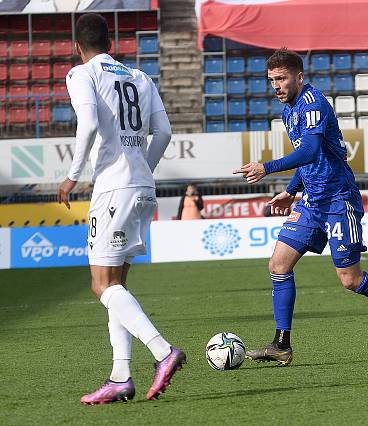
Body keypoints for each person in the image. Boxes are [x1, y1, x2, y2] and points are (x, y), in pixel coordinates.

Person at [234, 48, 368, 365]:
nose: (276, 86)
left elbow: (310, 151)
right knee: (278, 266)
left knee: (350, 280)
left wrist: (266, 167)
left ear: (299, 77)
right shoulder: (289, 111)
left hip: (338, 199)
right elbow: (311, 159)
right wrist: (290, 191)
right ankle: (281, 344)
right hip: (312, 200)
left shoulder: (314, 104)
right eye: (271, 80)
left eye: (281, 79)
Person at [56, 13, 184, 404]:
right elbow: (163, 132)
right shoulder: (140, 77)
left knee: (101, 285)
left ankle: (163, 351)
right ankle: (120, 376)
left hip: (113, 188)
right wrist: (143, 166)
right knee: (117, 286)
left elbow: (89, 123)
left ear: (78, 47)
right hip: (142, 185)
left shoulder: (81, 74)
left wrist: (72, 175)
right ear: (110, 42)